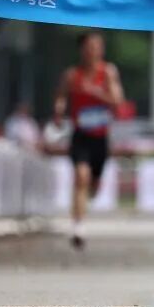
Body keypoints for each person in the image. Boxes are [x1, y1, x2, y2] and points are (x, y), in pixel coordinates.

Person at [53, 31, 125, 250]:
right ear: (82, 50)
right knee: (80, 177)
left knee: (93, 186)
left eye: (98, 46)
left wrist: (94, 92)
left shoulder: (108, 72)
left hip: (100, 137)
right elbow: (61, 96)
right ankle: (78, 226)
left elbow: (117, 101)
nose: (94, 51)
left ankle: (91, 193)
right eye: (90, 47)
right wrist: (58, 111)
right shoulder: (71, 75)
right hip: (80, 135)